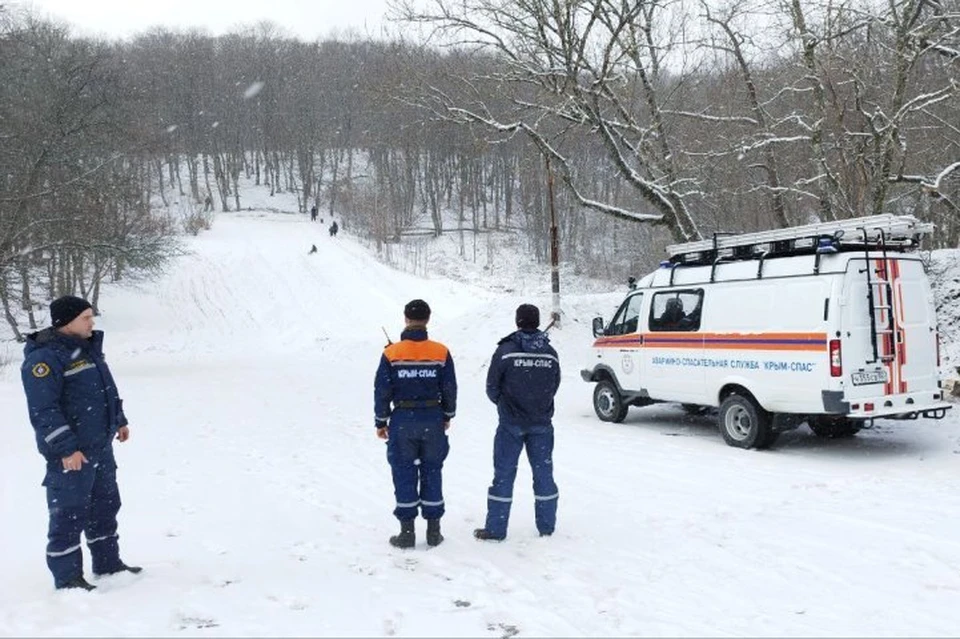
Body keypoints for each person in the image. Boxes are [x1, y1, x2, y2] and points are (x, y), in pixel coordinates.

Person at [21, 295, 140, 591]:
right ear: (66, 322)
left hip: (100, 445)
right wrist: (65, 449)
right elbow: (44, 410)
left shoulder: (86, 350)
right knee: (69, 513)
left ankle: (108, 563)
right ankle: (68, 578)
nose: (92, 323)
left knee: (106, 505)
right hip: (72, 454)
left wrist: (119, 420)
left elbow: (104, 390)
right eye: (86, 318)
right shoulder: (45, 359)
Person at [374, 299, 457, 548]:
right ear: (428, 319)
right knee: (432, 470)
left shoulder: (392, 353)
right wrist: (447, 416)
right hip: (432, 418)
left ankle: (407, 532)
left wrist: (381, 420)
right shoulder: (440, 352)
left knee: (404, 472)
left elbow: (382, 390)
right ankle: (434, 531)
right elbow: (450, 387)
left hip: (402, 421)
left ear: (406, 319)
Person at [474, 304, 561, 541]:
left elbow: (492, 387)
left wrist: (506, 405)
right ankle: (546, 526)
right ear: (537, 321)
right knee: (544, 474)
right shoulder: (550, 353)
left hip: (510, 424)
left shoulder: (505, 351)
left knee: (503, 474)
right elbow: (554, 385)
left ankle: (496, 528)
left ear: (518, 322)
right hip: (542, 424)